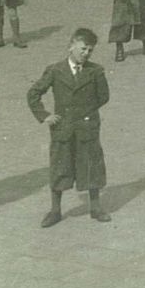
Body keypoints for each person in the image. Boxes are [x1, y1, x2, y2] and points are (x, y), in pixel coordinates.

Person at [26, 27, 113, 226]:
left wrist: (85, 111)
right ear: (70, 46)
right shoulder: (56, 70)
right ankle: (55, 210)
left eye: (90, 50)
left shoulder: (95, 71)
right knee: (59, 166)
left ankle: (95, 207)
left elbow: (103, 97)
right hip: (62, 128)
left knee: (92, 165)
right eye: (83, 49)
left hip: (86, 127)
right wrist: (45, 116)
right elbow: (33, 94)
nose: (86, 54)